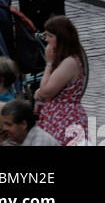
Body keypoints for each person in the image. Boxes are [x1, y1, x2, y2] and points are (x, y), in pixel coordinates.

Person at [34, 16, 89, 145]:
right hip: (57, 118)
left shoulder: (69, 62)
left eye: (50, 36)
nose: (46, 39)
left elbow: (46, 91)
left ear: (61, 38)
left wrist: (49, 63)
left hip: (65, 120)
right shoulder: (66, 61)